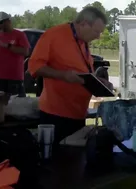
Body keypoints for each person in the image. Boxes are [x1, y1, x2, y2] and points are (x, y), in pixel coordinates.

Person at [28, 7, 113, 146]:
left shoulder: (82, 41)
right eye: (97, 31)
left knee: (76, 161)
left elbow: (83, 71)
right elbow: (34, 67)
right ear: (84, 24)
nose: (98, 36)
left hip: (78, 114)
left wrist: (100, 82)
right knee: (56, 162)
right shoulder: (54, 35)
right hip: (55, 115)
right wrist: (62, 75)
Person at [0, 12, 30, 97]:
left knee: (16, 106)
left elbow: (26, 52)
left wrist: (7, 45)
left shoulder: (19, 35)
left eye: (0, 22)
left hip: (15, 77)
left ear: (8, 21)